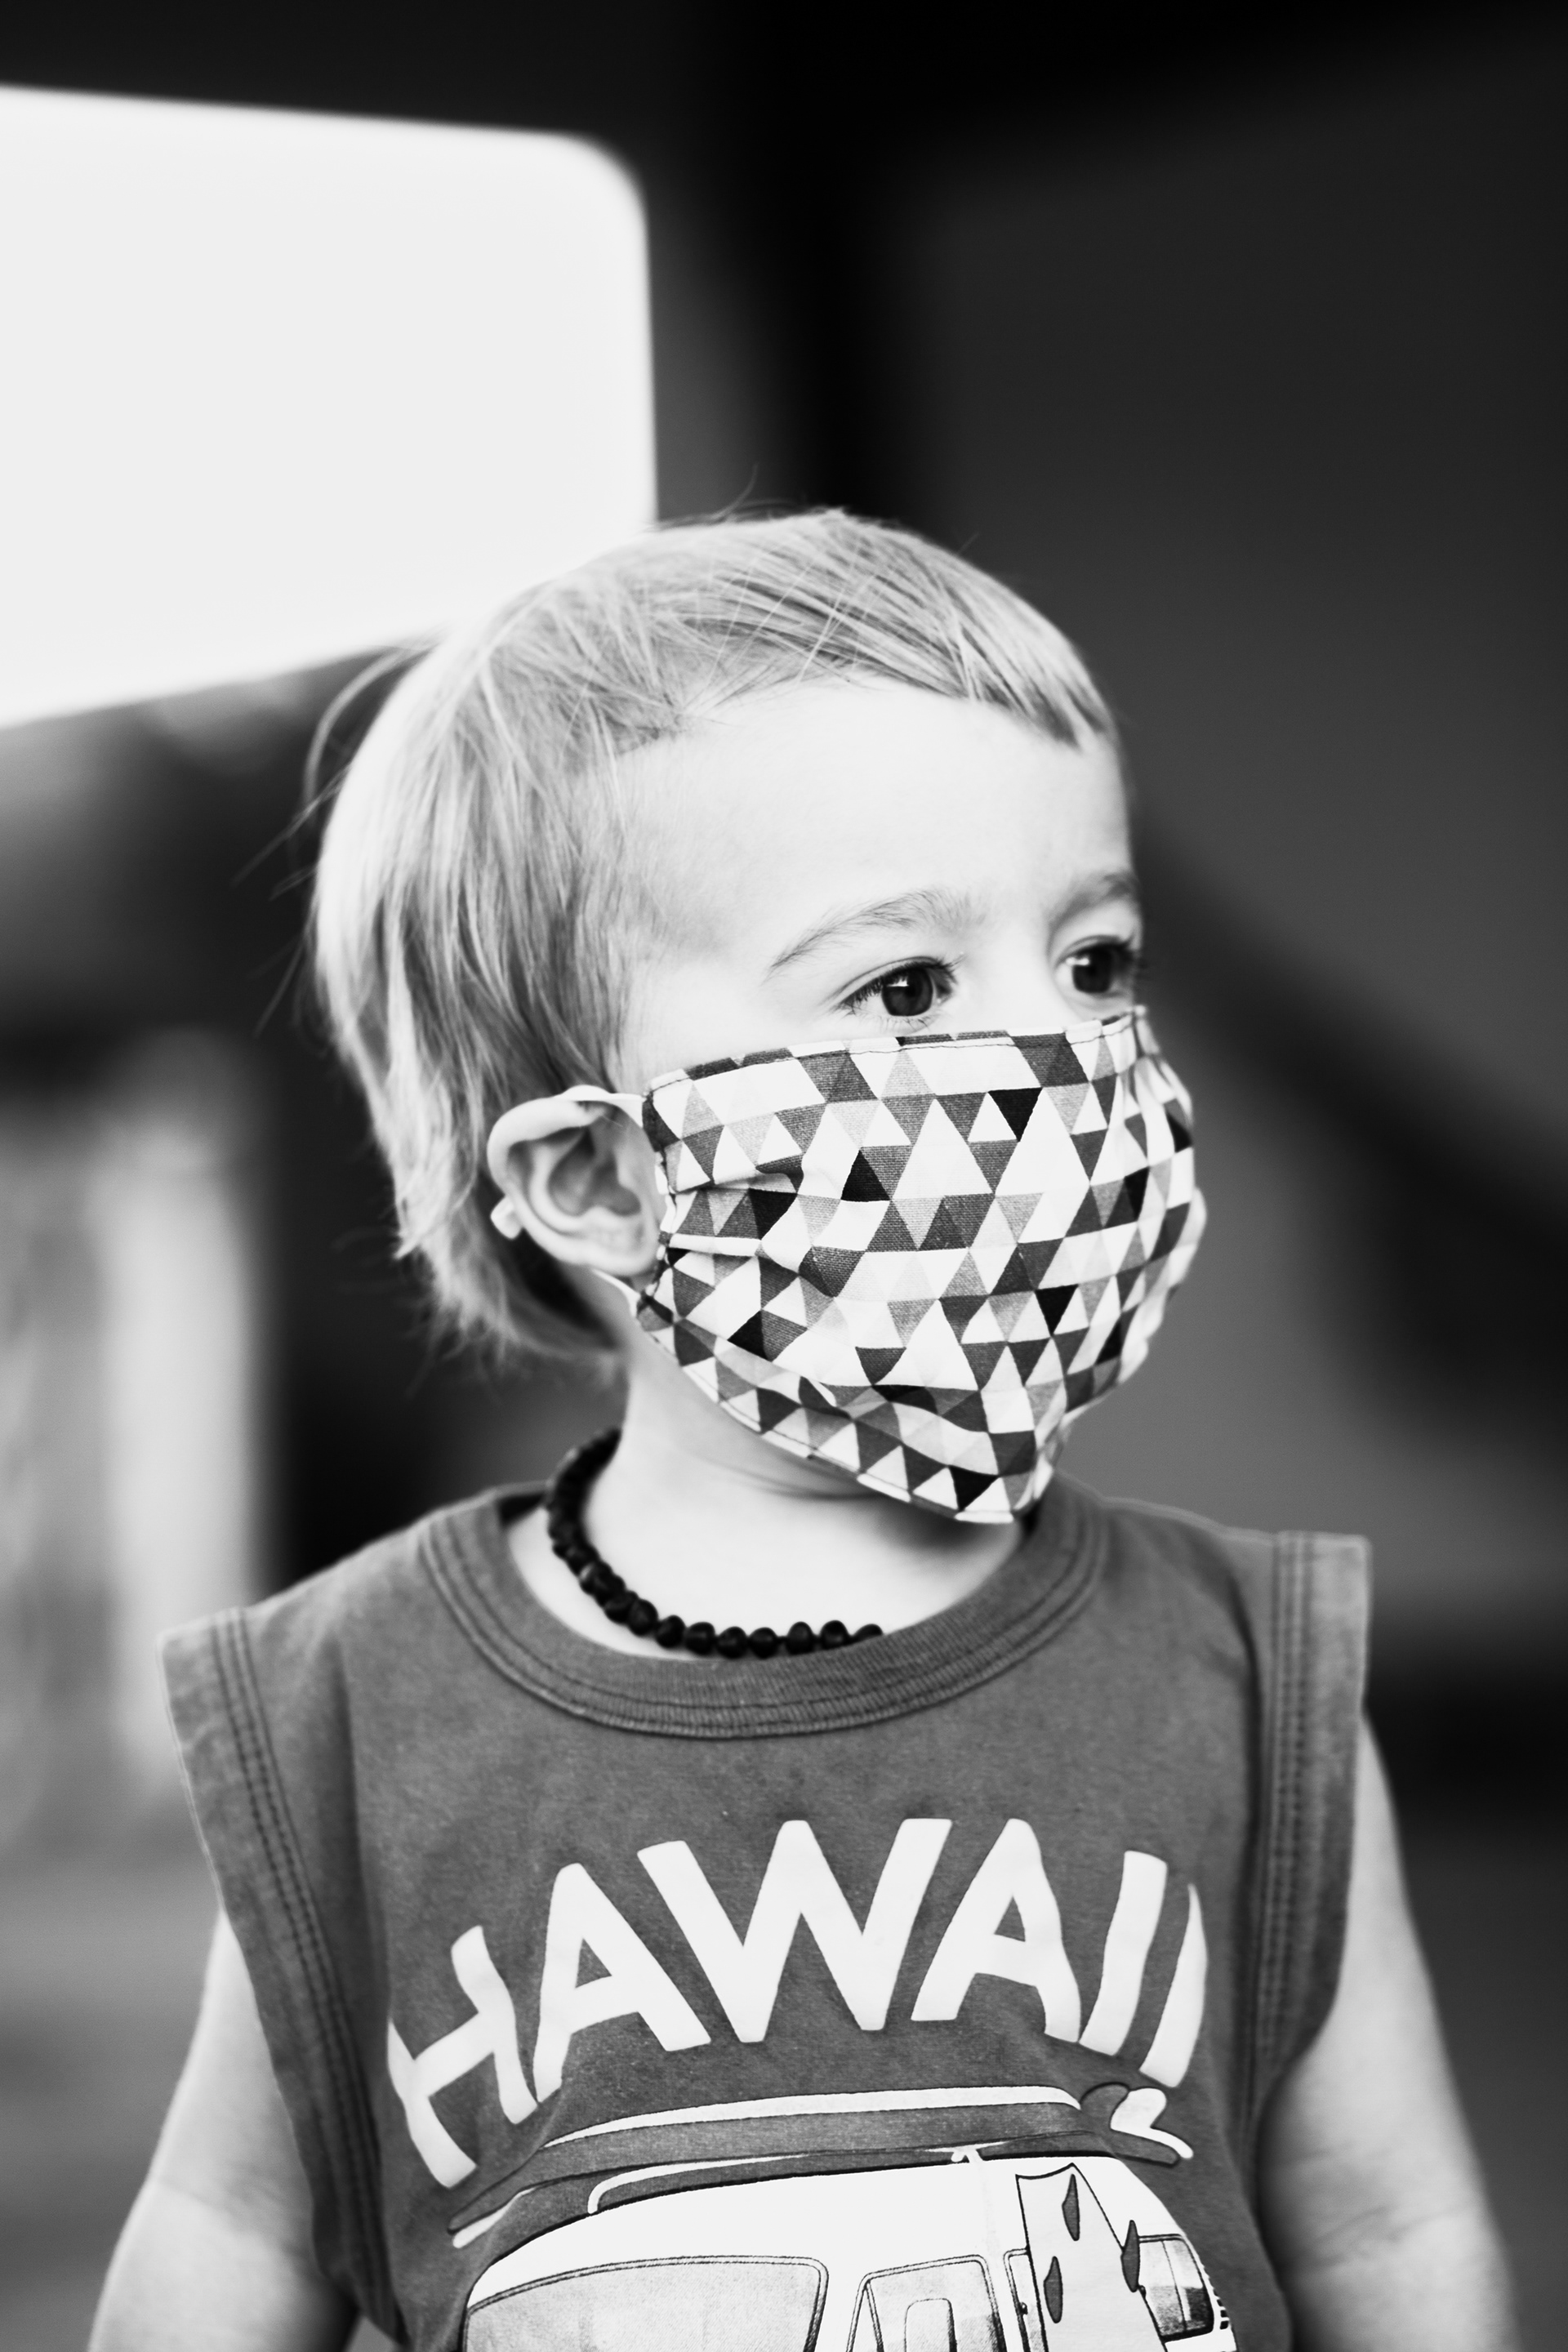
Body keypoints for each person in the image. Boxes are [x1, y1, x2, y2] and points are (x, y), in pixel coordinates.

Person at [91, 513, 1515, 2352]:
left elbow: (1392, 2239)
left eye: (1096, 962)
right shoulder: (352, 1720)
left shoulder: (1251, 1676)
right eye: (906, 988)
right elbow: (228, 2234)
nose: (1067, 1060)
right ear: (604, 1180)